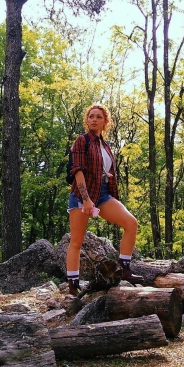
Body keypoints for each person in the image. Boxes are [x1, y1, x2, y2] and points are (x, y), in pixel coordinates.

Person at [65, 103, 144, 296]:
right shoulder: (81, 141)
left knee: (131, 223)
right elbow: (77, 170)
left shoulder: (106, 147)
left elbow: (107, 173)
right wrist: (86, 200)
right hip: (81, 195)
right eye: (91, 116)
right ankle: (73, 285)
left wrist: (108, 186)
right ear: (87, 120)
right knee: (76, 241)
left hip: (102, 194)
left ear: (105, 121)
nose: (94, 119)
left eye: (98, 117)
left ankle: (124, 268)